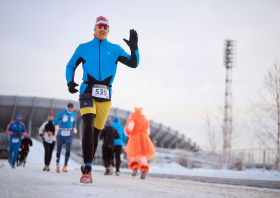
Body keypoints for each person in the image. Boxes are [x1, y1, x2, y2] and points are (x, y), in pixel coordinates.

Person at [65, 16, 139, 183]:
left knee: (96, 134)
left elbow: (133, 63)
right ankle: (87, 167)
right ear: (95, 28)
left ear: (108, 30)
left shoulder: (115, 49)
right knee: (88, 126)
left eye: (105, 27)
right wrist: (70, 81)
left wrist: (134, 48)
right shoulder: (83, 48)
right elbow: (70, 65)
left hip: (105, 96)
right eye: (99, 26)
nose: (102, 29)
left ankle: (87, 168)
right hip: (87, 91)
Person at [124, 108, 156, 179]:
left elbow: (130, 128)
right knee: (142, 154)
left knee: (133, 153)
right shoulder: (145, 120)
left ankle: (135, 167)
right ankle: (144, 170)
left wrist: (127, 131)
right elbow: (148, 132)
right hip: (144, 138)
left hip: (135, 137)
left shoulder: (133, 118)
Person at [53, 103, 77, 173]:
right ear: (67, 108)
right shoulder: (61, 113)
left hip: (69, 134)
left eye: (71, 108)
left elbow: (75, 122)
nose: (70, 109)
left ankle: (65, 166)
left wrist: (75, 128)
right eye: (69, 108)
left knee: (68, 150)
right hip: (60, 133)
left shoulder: (74, 114)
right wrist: (62, 121)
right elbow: (54, 123)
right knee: (59, 151)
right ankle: (57, 165)